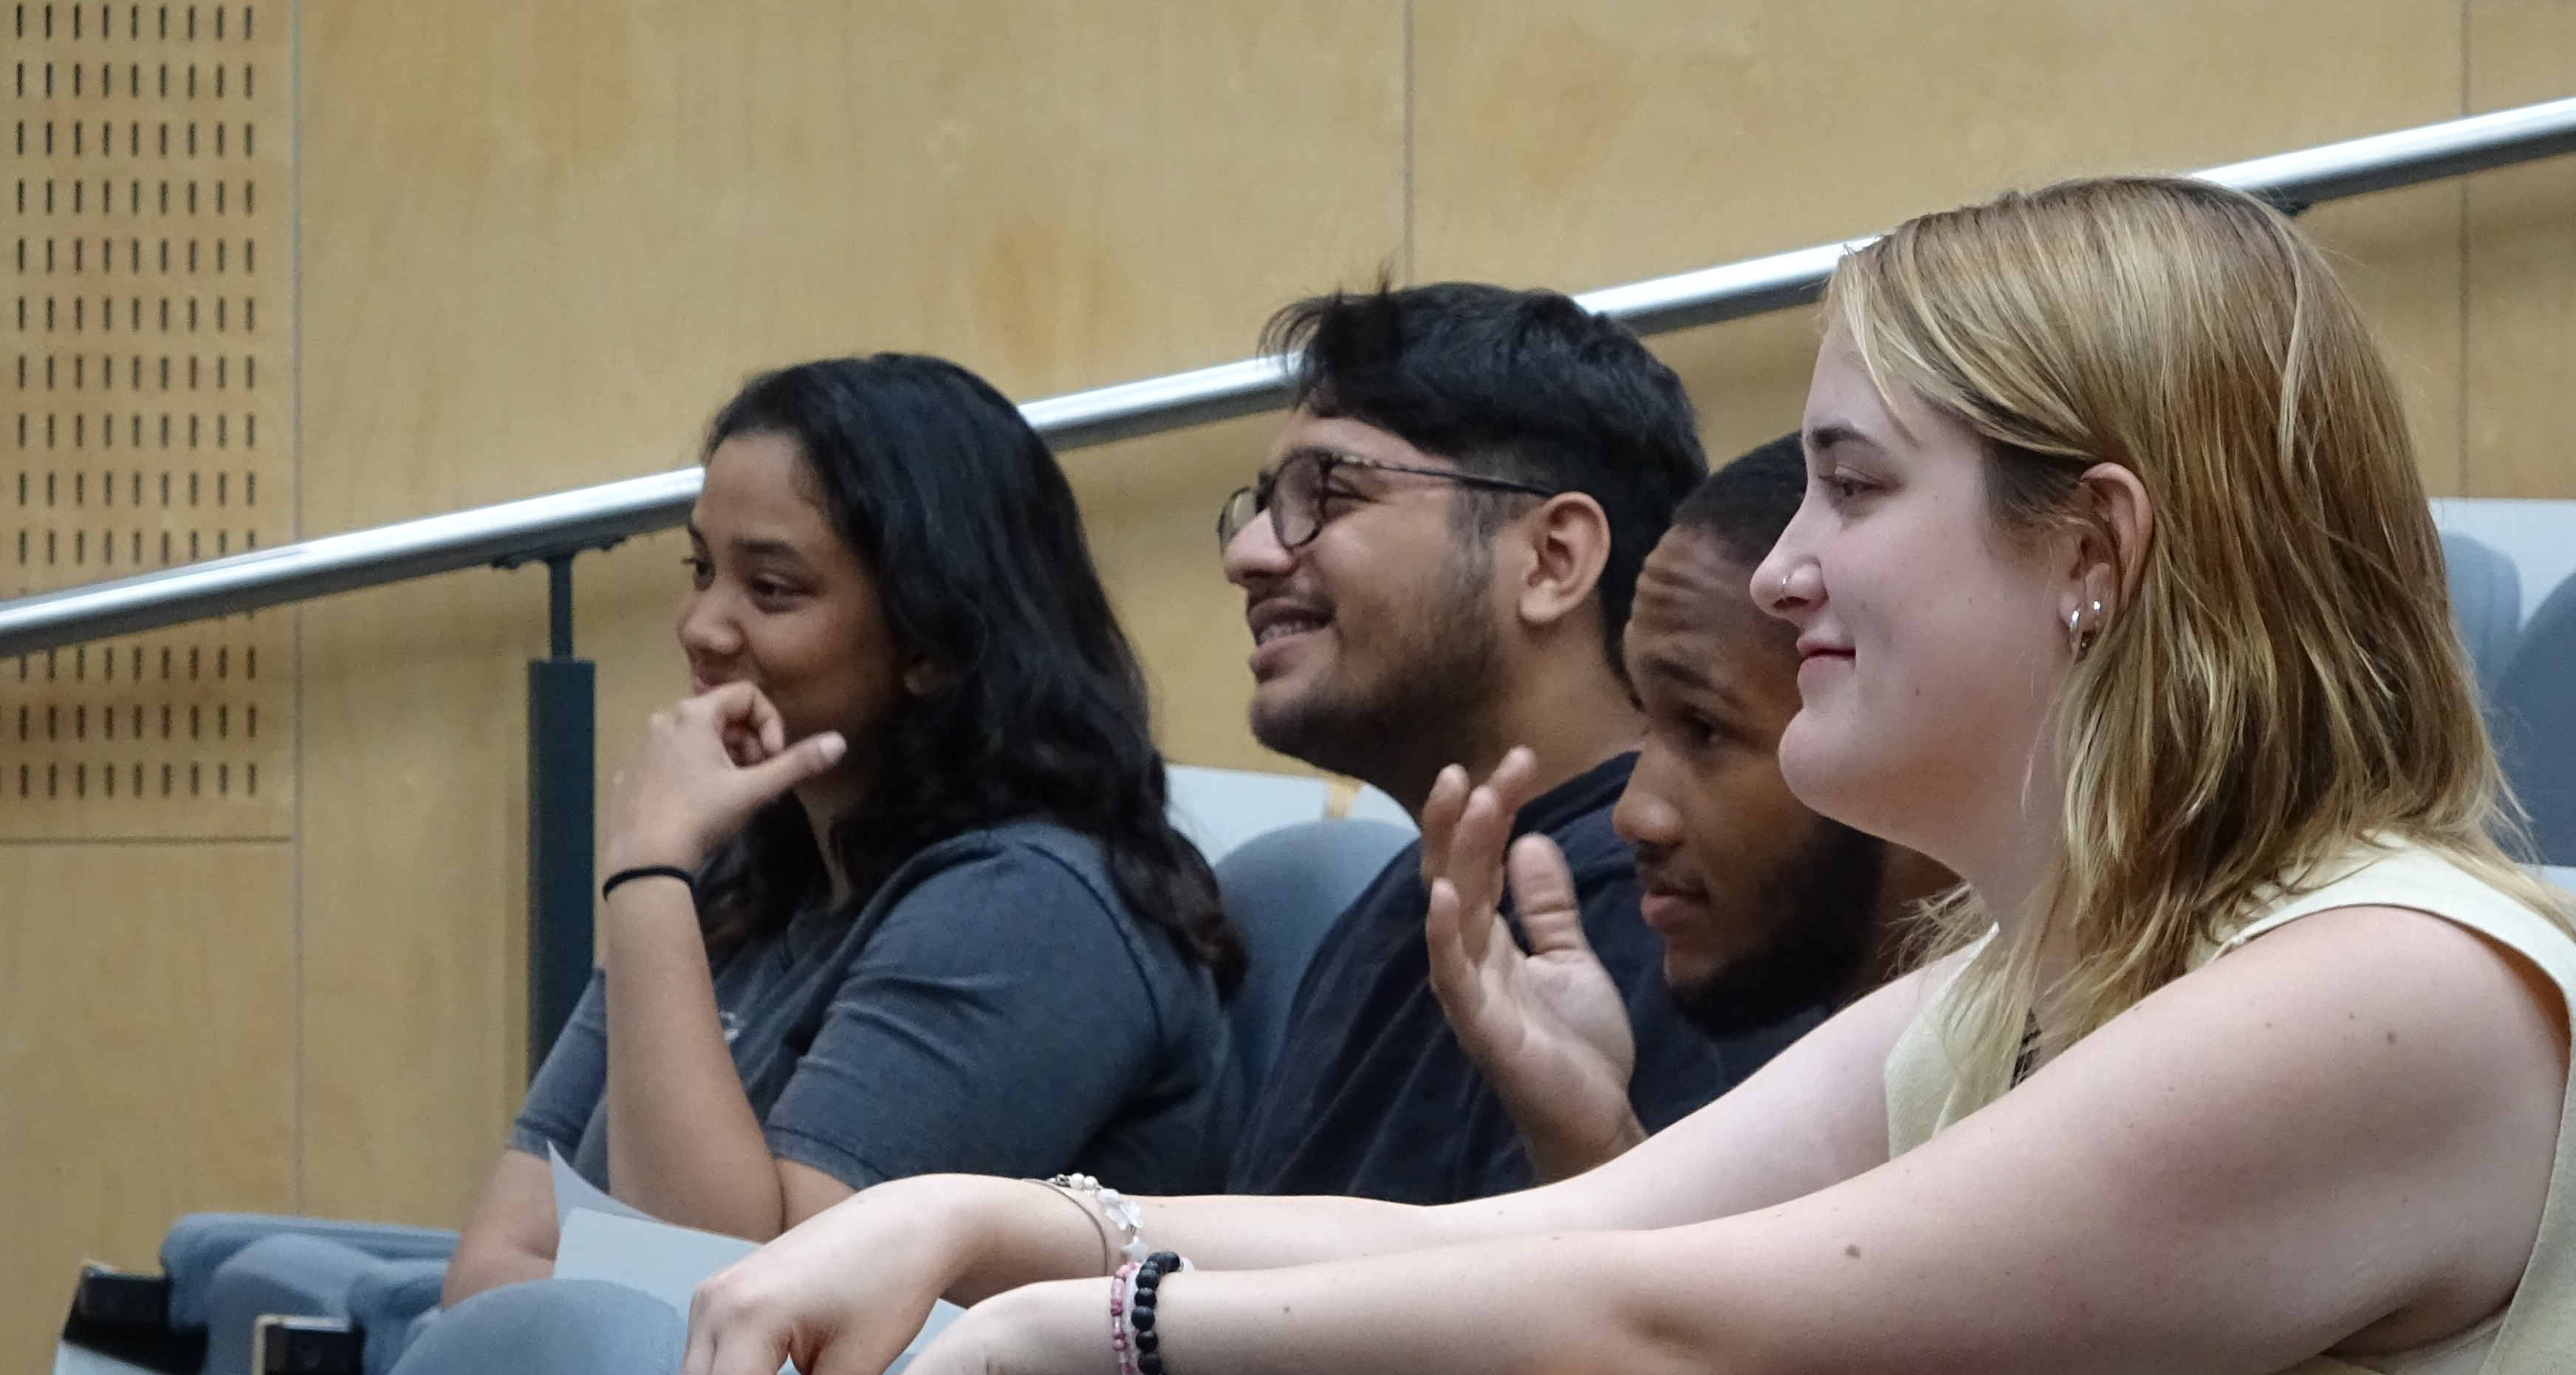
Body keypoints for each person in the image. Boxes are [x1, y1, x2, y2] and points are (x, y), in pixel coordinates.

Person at [678, 180, 2576, 1375]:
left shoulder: (2392, 995)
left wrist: (1054, 1326)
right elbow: (1518, 1251)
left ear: (2089, 549)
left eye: (1846, 486)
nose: (1778, 569)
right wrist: (986, 1224)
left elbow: (1670, 1332)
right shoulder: (2018, 986)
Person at [442, 354, 1242, 1303]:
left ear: (933, 643)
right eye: (703, 570)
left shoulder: (1033, 909)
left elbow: (740, 1305)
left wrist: (648, 870)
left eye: (771, 589)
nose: (702, 624)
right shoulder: (744, 870)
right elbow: (488, 1266)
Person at [1219, 283, 1818, 1204]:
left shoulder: (1660, 904)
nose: (1252, 553)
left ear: (1552, 560)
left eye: (1325, 493)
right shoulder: (1405, 900)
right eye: (1262, 505)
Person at [1422, 438, 1956, 1182]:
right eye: (1646, 723)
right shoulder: (1879, 1083)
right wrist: (1588, 1133)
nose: (1635, 816)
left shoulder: (2083, 1079)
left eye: (1703, 730)